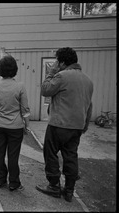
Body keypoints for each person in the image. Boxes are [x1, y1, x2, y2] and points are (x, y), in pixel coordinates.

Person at [36, 47, 93, 202]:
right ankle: (69, 190)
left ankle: (54, 186)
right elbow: (89, 105)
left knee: (51, 152)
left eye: (57, 61)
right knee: (71, 156)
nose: (55, 64)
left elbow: (45, 90)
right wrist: (85, 125)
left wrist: (51, 72)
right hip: (77, 127)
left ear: (61, 62)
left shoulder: (61, 76)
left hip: (59, 124)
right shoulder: (88, 80)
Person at [0, 55, 30, 191]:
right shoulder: (20, 86)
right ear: (15, 70)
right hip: (16, 128)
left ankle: (0, 180)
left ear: (0, 70)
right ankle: (14, 183)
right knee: (13, 156)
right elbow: (25, 110)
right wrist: (27, 126)